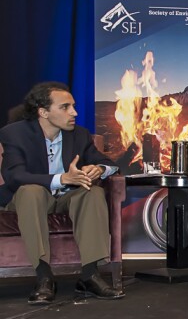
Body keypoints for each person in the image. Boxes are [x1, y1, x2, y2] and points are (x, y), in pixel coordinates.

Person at [0, 81, 123, 304]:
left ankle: (89, 275)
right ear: (43, 112)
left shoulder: (79, 135)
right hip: (29, 198)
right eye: (65, 107)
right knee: (31, 192)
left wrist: (99, 169)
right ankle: (44, 276)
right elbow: (14, 176)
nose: (74, 112)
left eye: (73, 106)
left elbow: (107, 163)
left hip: (66, 197)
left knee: (92, 193)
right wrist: (61, 179)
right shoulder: (14, 134)